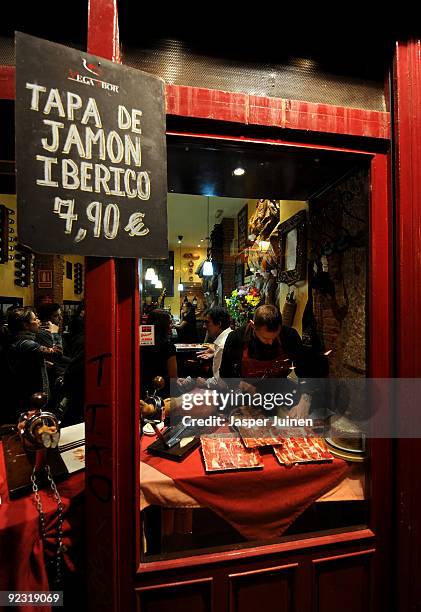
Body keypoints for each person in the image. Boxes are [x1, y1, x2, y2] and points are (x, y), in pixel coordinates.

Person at [220, 304, 321, 418]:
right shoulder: (236, 338)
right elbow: (225, 372)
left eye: (275, 337)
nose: (271, 343)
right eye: (265, 338)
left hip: (280, 390)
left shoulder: (289, 336)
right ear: (253, 326)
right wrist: (241, 384)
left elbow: (306, 369)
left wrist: (305, 400)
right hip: (248, 394)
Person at [4, 307, 62, 418]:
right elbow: (57, 353)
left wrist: (42, 364)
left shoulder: (17, 341)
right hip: (31, 400)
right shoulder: (27, 344)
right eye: (35, 319)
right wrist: (55, 333)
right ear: (26, 326)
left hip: (22, 397)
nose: (38, 321)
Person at [141, 309, 177, 398]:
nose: (171, 326)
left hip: (142, 390)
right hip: (162, 392)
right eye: (169, 323)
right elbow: (173, 376)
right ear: (163, 326)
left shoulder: (140, 343)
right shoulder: (168, 346)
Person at [195, 306, 233, 389]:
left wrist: (204, 383)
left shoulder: (221, 346)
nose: (204, 326)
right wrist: (215, 351)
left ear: (219, 324)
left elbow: (219, 382)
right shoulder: (230, 335)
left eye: (207, 322)